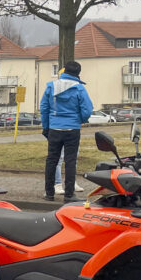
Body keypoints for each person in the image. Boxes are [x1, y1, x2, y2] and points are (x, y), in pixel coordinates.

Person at [41, 60, 93, 202]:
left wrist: (46, 126)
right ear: (78, 73)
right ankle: (69, 195)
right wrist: (79, 120)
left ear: (64, 71)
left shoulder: (51, 86)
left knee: (51, 160)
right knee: (70, 160)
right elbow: (87, 110)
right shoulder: (79, 88)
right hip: (72, 129)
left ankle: (49, 193)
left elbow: (44, 108)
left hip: (54, 128)